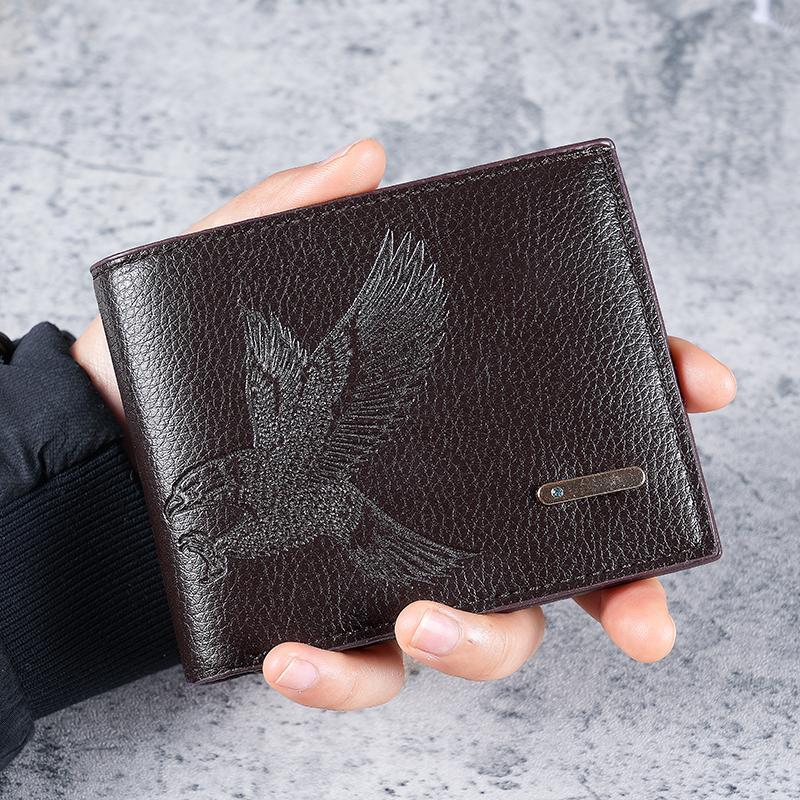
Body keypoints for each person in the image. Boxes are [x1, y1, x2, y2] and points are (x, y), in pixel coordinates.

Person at [0, 139, 737, 768]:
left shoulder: (277, 449)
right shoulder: (243, 473)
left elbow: (295, 382)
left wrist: (83, 461)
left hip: (332, 510)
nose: (193, 493)